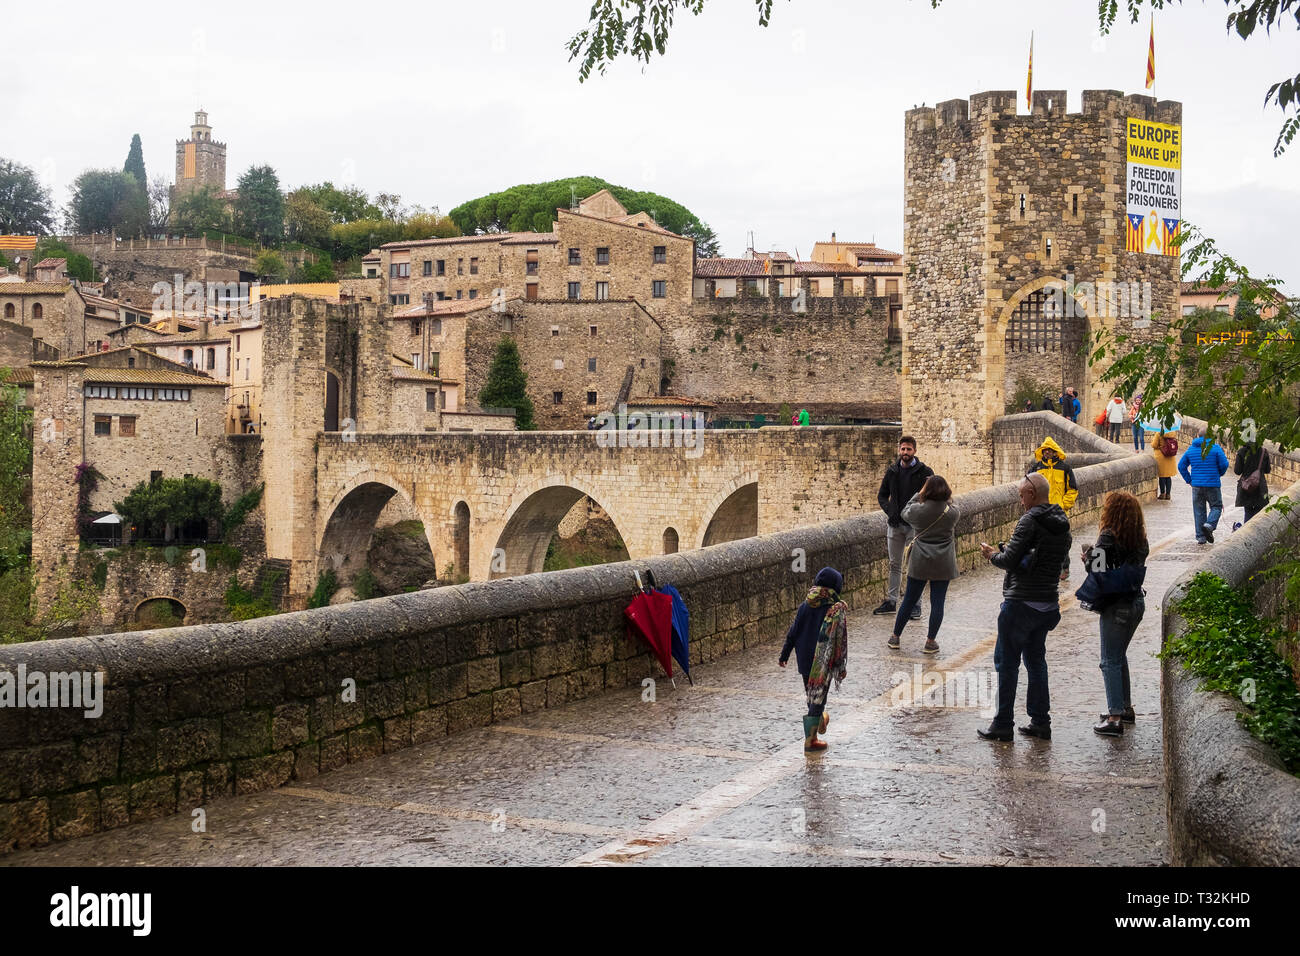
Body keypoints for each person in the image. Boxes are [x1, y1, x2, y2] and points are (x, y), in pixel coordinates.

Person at [977, 473, 1071, 741]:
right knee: (1036, 661)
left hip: (1021, 603)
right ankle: (1041, 721)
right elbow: (1057, 559)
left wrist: (991, 554)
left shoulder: (1029, 521)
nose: (1020, 501)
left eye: (1021, 495)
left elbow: (1008, 560)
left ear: (1031, 494)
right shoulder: (1062, 522)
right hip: (1047, 603)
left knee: (1006, 663)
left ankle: (1003, 723)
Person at [1081, 491, 1149, 736]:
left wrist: (1087, 557)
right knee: (1120, 656)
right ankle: (1124, 707)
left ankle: (1114, 718)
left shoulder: (1108, 537)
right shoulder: (1140, 539)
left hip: (1117, 606)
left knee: (1108, 660)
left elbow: (1097, 570)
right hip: (1136, 602)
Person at [779, 566, 849, 752]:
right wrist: (841, 666)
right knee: (819, 699)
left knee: (812, 696)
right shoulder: (834, 610)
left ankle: (819, 720)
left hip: (804, 660)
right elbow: (839, 642)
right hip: (822, 663)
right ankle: (811, 740)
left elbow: (792, 633)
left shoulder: (805, 606)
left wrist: (784, 655)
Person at [888, 475, 959, 655]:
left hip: (920, 559)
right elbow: (954, 503)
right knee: (938, 602)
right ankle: (930, 641)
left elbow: (905, 511)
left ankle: (895, 637)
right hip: (944, 561)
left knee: (910, 599)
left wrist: (919, 494)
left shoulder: (919, 511)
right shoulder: (952, 512)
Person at [874, 436, 934, 620]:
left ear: (914, 451)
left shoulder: (925, 472)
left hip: (914, 527)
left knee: (914, 566)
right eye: (903, 449)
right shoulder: (892, 471)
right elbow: (882, 495)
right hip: (895, 525)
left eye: (908, 449)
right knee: (894, 564)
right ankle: (892, 601)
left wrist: (919, 515)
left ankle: (915, 606)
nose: (905, 453)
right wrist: (890, 510)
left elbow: (932, 496)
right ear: (899, 450)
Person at [1027, 437, 1077, 581]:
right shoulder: (1036, 468)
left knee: (1063, 540)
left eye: (1050, 450)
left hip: (1058, 511)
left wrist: (1063, 505)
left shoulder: (1064, 468)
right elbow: (1028, 487)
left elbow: (1073, 489)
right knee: (1040, 540)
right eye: (1045, 450)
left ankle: (1064, 566)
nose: (1047, 453)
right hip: (1040, 511)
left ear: (1055, 452)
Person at [1178, 433, 1230, 543]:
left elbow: (1181, 466)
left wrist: (1189, 480)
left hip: (1196, 485)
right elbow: (1225, 464)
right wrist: (1219, 473)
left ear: (1197, 435)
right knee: (1216, 507)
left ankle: (1201, 537)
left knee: (1199, 510)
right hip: (1212, 484)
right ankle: (1209, 525)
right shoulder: (1215, 448)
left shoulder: (1191, 449)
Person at [1234, 440, 1272, 523]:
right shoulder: (1263, 451)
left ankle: (1246, 534)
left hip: (1246, 486)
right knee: (1259, 515)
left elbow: (1237, 471)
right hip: (1260, 487)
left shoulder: (1241, 452)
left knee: (1248, 512)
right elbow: (1267, 470)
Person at [1152, 429, 1178, 500]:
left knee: (1162, 476)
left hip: (1161, 456)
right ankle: (1168, 494)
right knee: (1168, 476)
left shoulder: (1159, 433)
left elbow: (1154, 445)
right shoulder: (1173, 432)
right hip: (1170, 456)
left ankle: (1162, 493)